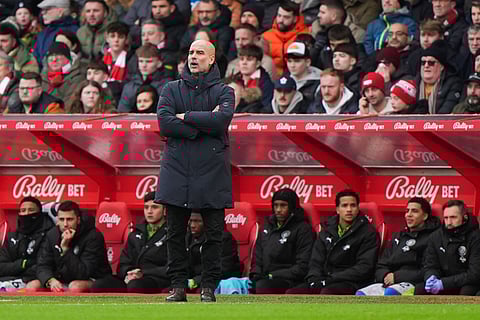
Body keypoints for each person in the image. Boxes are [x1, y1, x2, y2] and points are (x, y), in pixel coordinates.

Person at [156, 39, 234, 303]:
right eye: (190, 52)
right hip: (177, 169)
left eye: (199, 53)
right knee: (175, 233)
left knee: (214, 234)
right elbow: (165, 123)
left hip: (212, 169)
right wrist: (202, 126)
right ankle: (177, 286)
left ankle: (208, 286)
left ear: (211, 59)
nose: (193, 57)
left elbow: (221, 120)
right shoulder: (170, 88)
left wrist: (184, 117)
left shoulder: (225, 92)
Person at [356, 198, 440, 296]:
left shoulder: (433, 237)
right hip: (388, 282)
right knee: (361, 294)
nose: (409, 214)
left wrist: (397, 277)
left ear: (425, 216)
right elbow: (381, 264)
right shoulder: (398, 236)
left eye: (415, 211)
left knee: (391, 293)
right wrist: (385, 275)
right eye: (407, 211)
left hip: (413, 283)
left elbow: (428, 270)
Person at [91, 192, 170, 293]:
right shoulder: (135, 232)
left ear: (164, 211)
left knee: (136, 285)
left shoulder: (172, 234)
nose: (149, 211)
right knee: (99, 285)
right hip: (132, 278)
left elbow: (172, 267)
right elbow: (122, 264)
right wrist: (129, 273)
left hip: (157, 280)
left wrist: (143, 273)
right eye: (146, 207)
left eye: (154, 207)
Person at [304, 189, 378, 295]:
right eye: (344, 205)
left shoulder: (368, 232)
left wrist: (331, 278)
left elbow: (364, 268)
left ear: (358, 209)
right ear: (337, 209)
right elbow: (316, 261)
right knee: (294, 292)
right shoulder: (326, 229)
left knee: (327, 292)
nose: (349, 209)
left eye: (353, 205)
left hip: (352, 282)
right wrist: (313, 278)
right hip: (326, 279)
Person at [36, 200, 112, 292]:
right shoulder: (52, 235)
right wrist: (50, 280)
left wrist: (66, 250)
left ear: (78, 220)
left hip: (94, 279)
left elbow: (84, 273)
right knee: (34, 285)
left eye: (69, 219)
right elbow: (42, 265)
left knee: (75, 286)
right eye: (61, 219)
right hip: (62, 278)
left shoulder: (93, 236)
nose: (65, 224)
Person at [251, 189, 314, 294]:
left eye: (283, 205)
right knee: (235, 284)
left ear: (292, 207)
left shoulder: (303, 229)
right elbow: (257, 257)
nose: (278, 210)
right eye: (276, 205)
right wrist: (255, 273)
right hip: (264, 278)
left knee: (263, 286)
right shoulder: (266, 227)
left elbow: (303, 266)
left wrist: (273, 275)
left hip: (290, 280)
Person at [416, 200, 480, 295]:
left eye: (453, 217)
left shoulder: (475, 237)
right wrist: (431, 276)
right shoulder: (435, 237)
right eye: (446, 218)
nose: (449, 222)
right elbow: (430, 265)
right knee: (420, 290)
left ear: (464, 217)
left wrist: (444, 283)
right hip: (443, 280)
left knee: (467, 292)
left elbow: (474, 274)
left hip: (467, 283)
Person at [0, 197, 54, 291]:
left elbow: (43, 266)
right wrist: (23, 264)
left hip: (35, 281)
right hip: (9, 280)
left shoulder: (49, 235)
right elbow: (1, 266)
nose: (26, 214)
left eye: (31, 210)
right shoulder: (12, 236)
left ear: (39, 213)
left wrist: (17, 268)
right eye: (23, 210)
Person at [186, 212, 241, 292]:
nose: (193, 225)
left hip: (221, 278)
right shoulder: (188, 237)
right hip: (195, 278)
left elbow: (224, 268)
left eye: (198, 221)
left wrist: (197, 280)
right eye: (191, 221)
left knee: (203, 292)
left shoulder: (223, 238)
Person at [118, 43, 173, 113]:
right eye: (141, 61)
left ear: (159, 63)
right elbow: (123, 112)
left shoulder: (168, 85)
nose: (144, 65)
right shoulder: (129, 86)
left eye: (148, 61)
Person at [262, 1, 309, 76]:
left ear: (295, 19)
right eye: (279, 15)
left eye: (286, 17)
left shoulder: (305, 36)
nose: (280, 20)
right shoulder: (265, 37)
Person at [416, 39, 462, 114]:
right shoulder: (414, 83)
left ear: (441, 67)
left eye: (431, 63)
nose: (426, 66)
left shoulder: (453, 83)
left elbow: (446, 111)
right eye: (423, 62)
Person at [33, 0, 79, 67]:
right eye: (42, 10)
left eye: (47, 9)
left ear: (60, 11)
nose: (43, 13)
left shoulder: (73, 30)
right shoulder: (42, 33)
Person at [231, 44, 273, 112]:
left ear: (258, 64)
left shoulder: (266, 83)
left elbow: (266, 108)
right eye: (241, 59)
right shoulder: (233, 80)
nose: (244, 63)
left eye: (249, 59)